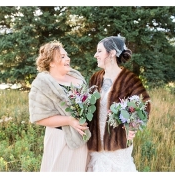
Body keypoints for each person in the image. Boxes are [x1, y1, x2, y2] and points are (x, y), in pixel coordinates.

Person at [86, 36, 150, 172]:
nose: (95, 55)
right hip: (96, 142)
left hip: (117, 143)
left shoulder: (130, 79)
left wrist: (133, 127)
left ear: (112, 53)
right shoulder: (95, 78)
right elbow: (88, 107)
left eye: (99, 51)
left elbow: (145, 104)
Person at [28, 40, 90, 171]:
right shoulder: (42, 84)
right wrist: (69, 120)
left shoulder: (77, 78)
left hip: (83, 137)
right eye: (62, 57)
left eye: (67, 55)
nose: (68, 58)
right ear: (51, 63)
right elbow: (39, 118)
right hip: (60, 139)